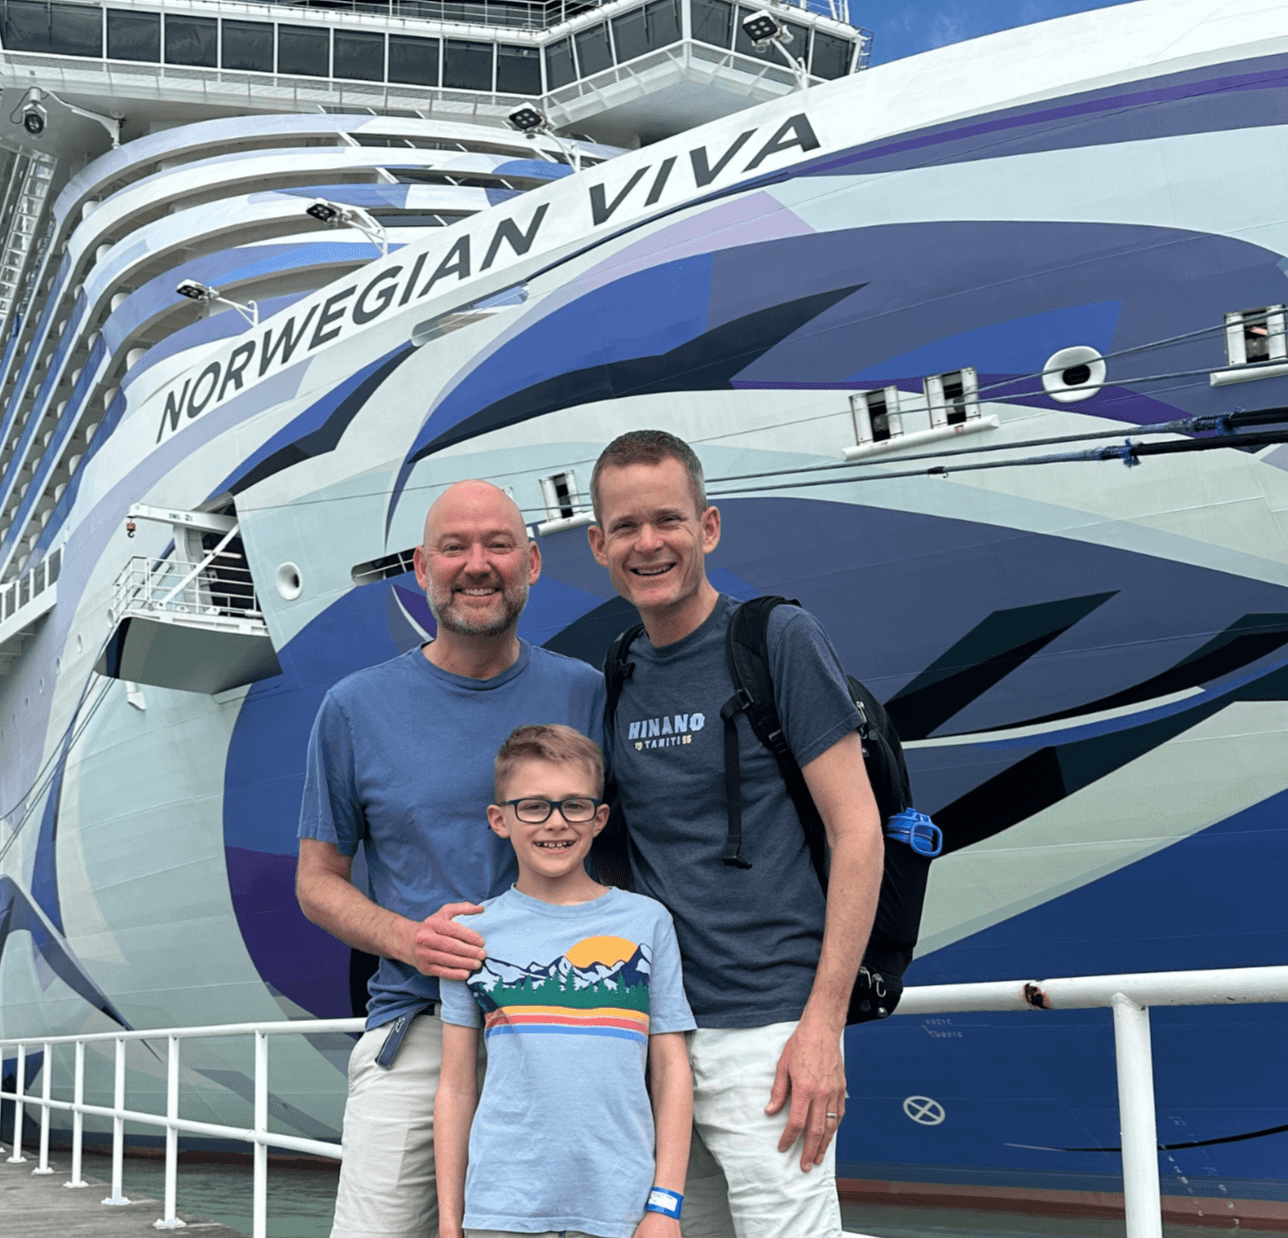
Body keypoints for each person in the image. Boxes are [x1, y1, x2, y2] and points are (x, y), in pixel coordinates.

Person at [586, 429, 885, 1237]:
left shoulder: (774, 639)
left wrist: (820, 1025)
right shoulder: (620, 670)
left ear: (707, 526)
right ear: (598, 544)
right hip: (660, 1037)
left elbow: (857, 830)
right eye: (625, 527)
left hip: (770, 1033)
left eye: (667, 520)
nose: (647, 543)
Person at [296, 480, 606, 1238]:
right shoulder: (352, 707)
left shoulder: (587, 691)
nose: (477, 564)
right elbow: (316, 881)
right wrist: (412, 940)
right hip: (420, 1028)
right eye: (454, 547)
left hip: (566, 1022)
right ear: (418, 566)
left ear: (530, 561)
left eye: (498, 544)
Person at [435, 724, 695, 1238]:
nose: (555, 823)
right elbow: (456, 1087)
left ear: (599, 819)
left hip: (620, 1210)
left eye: (574, 805)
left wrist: (664, 1206)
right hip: (501, 1210)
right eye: (533, 806)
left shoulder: (647, 922)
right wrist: (449, 1221)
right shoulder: (469, 934)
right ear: (499, 819)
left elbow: (670, 1069)